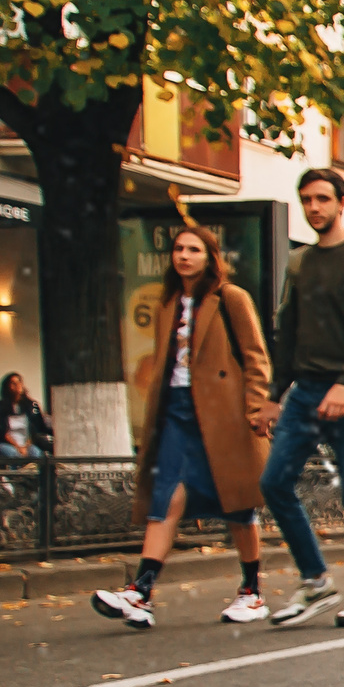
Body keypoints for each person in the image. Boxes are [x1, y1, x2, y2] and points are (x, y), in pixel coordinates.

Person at [93, 225, 272, 628]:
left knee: (237, 504)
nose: (184, 256)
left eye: (194, 249)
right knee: (166, 498)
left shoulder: (230, 297)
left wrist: (255, 409)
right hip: (175, 411)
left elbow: (256, 357)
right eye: (178, 249)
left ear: (210, 257)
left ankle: (252, 591)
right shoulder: (168, 303)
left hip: (223, 412)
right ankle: (141, 591)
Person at [258, 167, 344, 629]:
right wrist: (275, 394)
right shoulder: (299, 263)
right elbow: (287, 331)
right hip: (305, 391)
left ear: (340, 202)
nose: (314, 208)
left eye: (322, 199)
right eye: (307, 200)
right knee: (274, 482)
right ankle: (315, 580)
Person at [0, 373, 51, 459]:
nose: (17, 385)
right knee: (13, 454)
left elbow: (36, 428)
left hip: (27, 444)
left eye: (19, 382)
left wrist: (26, 446)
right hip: (7, 443)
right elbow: (0, 431)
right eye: (13, 383)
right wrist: (18, 447)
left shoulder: (31, 405)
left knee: (36, 453)